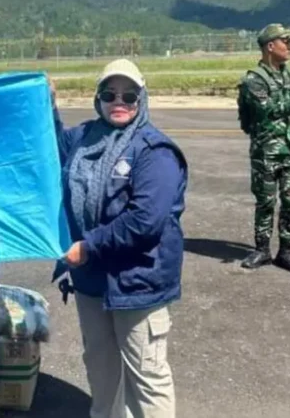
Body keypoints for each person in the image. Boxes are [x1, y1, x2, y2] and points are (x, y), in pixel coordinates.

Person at [49, 59, 188, 418]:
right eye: (110, 94)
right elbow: (48, 150)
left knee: (147, 377)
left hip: (138, 282)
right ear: (99, 99)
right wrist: (44, 105)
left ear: (142, 99)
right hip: (92, 280)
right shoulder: (83, 137)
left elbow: (145, 221)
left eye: (129, 94)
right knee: (100, 366)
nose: (119, 101)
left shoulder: (155, 152)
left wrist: (88, 246)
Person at [237, 23, 290, 273]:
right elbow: (268, 111)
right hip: (267, 153)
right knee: (266, 203)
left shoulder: (289, 73)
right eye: (286, 42)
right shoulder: (253, 81)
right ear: (270, 46)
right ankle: (262, 250)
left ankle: (286, 252)